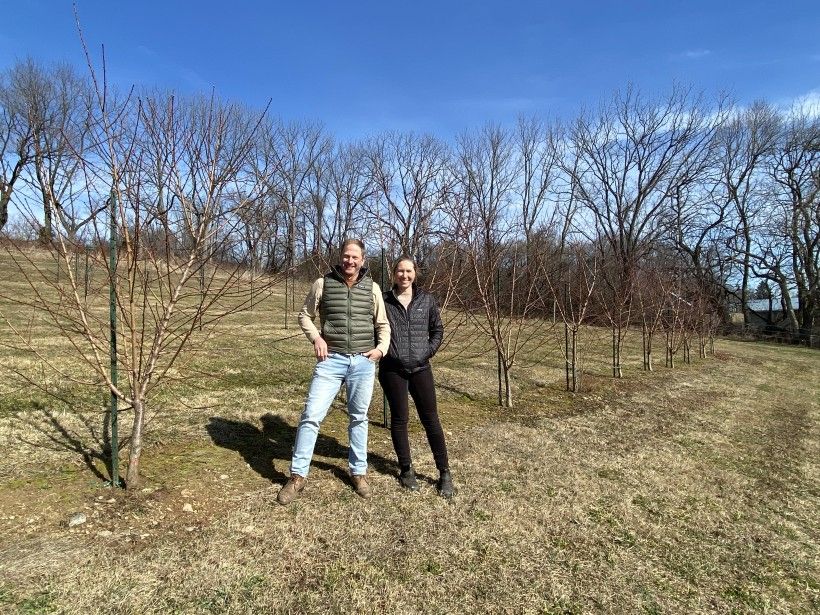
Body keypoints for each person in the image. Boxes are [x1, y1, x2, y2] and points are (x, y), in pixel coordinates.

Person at [277, 239, 390, 505]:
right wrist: (316, 338)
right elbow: (305, 315)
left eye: (355, 257)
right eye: (346, 256)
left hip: (363, 362)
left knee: (359, 418)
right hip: (331, 361)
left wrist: (380, 350)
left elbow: (382, 324)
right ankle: (297, 476)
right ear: (341, 258)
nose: (350, 261)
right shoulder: (322, 284)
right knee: (311, 415)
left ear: (363, 261)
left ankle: (358, 472)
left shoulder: (372, 289)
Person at [379, 257, 454, 498]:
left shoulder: (426, 300)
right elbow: (374, 328)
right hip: (392, 369)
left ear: (415, 273)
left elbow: (437, 330)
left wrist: (427, 351)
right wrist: (384, 350)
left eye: (409, 271)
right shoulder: (383, 299)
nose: (404, 275)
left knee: (431, 419)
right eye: (400, 271)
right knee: (400, 419)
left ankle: (444, 472)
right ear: (394, 273)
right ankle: (406, 469)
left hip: (421, 368)